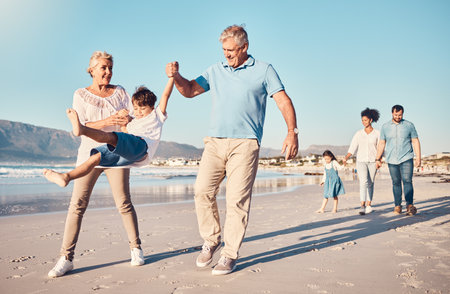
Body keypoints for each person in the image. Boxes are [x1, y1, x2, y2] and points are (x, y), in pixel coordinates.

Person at [166, 25, 298, 275]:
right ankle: (211, 239)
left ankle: (229, 254)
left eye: (230, 50)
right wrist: (177, 77)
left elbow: (283, 100)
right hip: (214, 142)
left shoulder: (264, 70)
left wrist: (292, 132)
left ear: (244, 47)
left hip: (245, 143)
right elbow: (190, 90)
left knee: (237, 200)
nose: (226, 55)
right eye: (223, 50)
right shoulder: (215, 70)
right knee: (202, 192)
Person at [47, 51, 141, 278]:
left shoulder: (120, 92)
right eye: (103, 68)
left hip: (116, 153)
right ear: (92, 70)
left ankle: (136, 248)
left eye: (110, 68)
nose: (108, 72)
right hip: (89, 155)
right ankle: (65, 258)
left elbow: (133, 116)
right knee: (77, 205)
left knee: (124, 202)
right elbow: (82, 125)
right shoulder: (80, 94)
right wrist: (109, 121)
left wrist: (127, 119)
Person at [43, 79, 173, 187]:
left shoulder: (157, 115)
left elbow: (166, 95)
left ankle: (82, 129)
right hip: (128, 153)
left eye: (143, 109)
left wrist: (172, 77)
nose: (138, 112)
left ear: (152, 107)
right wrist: (123, 122)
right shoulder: (133, 121)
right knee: (96, 158)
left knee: (112, 137)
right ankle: (67, 177)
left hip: (142, 147)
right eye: (136, 109)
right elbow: (125, 132)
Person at [375, 105, 421, 216]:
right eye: (396, 115)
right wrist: (378, 158)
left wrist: (418, 157)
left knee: (407, 181)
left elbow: (415, 141)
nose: (398, 117)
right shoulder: (385, 127)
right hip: (391, 159)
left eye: (400, 115)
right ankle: (397, 205)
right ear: (392, 113)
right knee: (396, 183)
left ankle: (409, 205)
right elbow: (382, 143)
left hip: (406, 158)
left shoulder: (409, 125)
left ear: (403, 114)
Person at [343, 108, 380, 215]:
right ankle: (362, 206)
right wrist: (346, 157)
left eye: (365, 120)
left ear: (371, 120)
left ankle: (369, 205)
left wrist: (379, 159)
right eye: (362, 120)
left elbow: (380, 148)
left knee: (371, 183)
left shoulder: (377, 133)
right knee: (363, 182)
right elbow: (353, 147)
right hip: (361, 161)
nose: (363, 122)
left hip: (373, 161)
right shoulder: (358, 133)